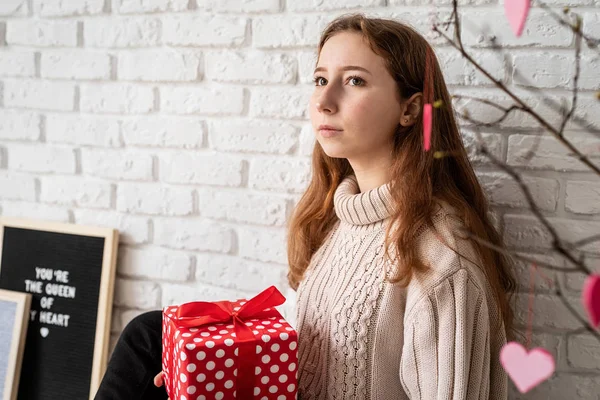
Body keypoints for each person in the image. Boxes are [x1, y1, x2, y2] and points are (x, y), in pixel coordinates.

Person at [95, 13, 518, 400]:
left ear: (409, 108)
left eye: (354, 81)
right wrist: (208, 375)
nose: (324, 101)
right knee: (151, 335)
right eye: (320, 80)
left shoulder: (441, 258)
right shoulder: (337, 218)